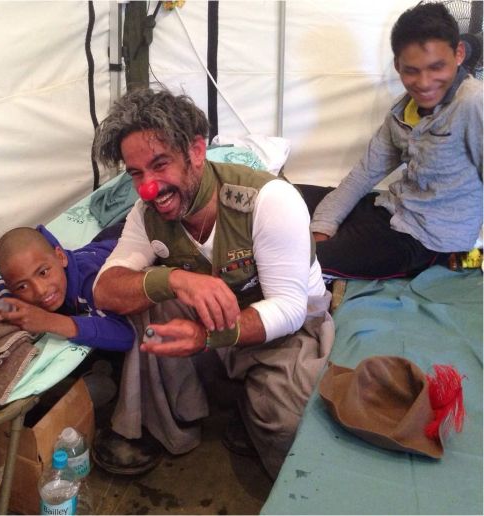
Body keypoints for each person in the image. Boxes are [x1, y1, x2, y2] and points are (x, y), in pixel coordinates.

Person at [90, 88, 335, 479]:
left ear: (197, 151)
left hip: (284, 332)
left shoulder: (270, 200)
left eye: (160, 164)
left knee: (291, 424)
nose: (148, 187)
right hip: (214, 321)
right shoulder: (145, 214)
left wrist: (206, 337)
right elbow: (105, 290)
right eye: (136, 173)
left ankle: (250, 413)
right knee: (143, 298)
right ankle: (171, 425)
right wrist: (174, 278)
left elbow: (290, 309)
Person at [298, 2, 483, 281]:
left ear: (458, 54)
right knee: (287, 196)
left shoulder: (473, 103)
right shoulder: (402, 110)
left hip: (425, 241)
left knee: (295, 261)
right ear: (398, 65)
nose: (424, 82)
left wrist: (318, 250)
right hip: (390, 210)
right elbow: (364, 174)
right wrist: (323, 225)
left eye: (436, 67)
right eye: (412, 70)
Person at [0, 225, 134, 352]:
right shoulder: (14, 284)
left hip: (116, 242)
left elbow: (126, 335)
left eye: (43, 272)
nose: (40, 290)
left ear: (60, 257)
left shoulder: (93, 282)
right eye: (23, 286)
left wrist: (49, 321)